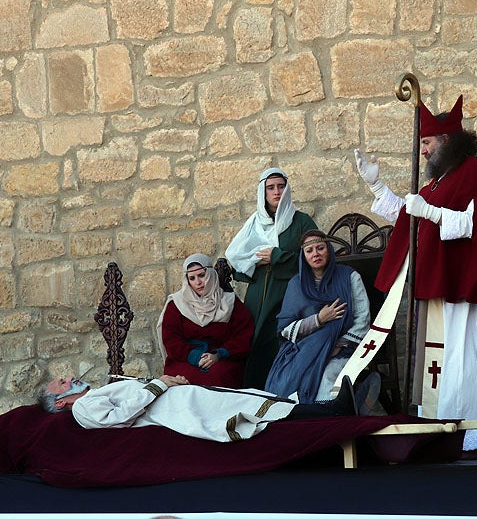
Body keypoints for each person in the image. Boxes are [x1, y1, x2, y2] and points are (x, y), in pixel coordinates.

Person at [354, 95, 477, 457]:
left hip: (458, 280)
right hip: (436, 278)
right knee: (444, 359)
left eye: (427, 143)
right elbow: (409, 218)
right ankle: (470, 435)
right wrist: (376, 187)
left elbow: (471, 225)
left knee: (460, 358)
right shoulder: (438, 180)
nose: (424, 150)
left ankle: (462, 435)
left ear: (446, 141)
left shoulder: (471, 171)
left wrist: (429, 212)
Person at [36, 373, 357, 442]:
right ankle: (332, 414)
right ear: (61, 402)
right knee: (255, 408)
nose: (70, 378)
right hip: (177, 410)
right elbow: (119, 417)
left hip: (180, 398)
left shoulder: (91, 395)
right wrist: (159, 384)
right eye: (63, 383)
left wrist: (165, 381)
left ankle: (327, 410)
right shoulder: (81, 410)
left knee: (255, 398)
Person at [225, 168, 318, 389]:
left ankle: (283, 392)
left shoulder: (301, 221)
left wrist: (277, 256)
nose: (276, 191)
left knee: (282, 341)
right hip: (258, 295)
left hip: (289, 293)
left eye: (281, 186)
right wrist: (254, 261)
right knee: (255, 341)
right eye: (271, 187)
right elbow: (238, 261)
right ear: (262, 192)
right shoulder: (254, 224)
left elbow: (315, 260)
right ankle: (255, 394)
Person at [264, 229, 372, 403]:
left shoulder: (350, 277)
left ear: (328, 249)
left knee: (327, 378)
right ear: (304, 256)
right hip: (304, 350)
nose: (316, 254)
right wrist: (319, 320)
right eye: (309, 250)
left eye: (320, 248)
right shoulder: (296, 285)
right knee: (287, 380)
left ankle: (327, 421)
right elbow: (285, 329)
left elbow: (362, 318)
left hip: (343, 349)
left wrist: (337, 346)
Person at [156, 254, 253, 387]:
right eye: (192, 278)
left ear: (211, 274)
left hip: (222, 359)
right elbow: (171, 339)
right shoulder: (177, 304)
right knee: (183, 380)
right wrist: (196, 357)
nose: (198, 282)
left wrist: (218, 354)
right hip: (185, 358)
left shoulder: (229, 302)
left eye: (201, 275)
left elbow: (242, 336)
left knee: (219, 376)